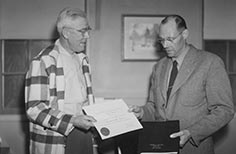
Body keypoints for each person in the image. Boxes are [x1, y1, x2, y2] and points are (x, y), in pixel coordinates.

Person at [129, 15, 235, 154]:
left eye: (170, 39)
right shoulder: (159, 67)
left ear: (185, 34)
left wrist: (191, 132)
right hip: (161, 148)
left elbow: (224, 110)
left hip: (194, 149)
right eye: (162, 40)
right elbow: (154, 106)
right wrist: (142, 112)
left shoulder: (210, 63)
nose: (165, 45)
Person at [25, 7, 97, 154]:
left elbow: (84, 101)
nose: (87, 36)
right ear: (66, 33)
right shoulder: (43, 61)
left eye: (87, 30)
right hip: (55, 140)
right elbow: (34, 109)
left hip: (84, 135)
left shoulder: (82, 60)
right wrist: (72, 121)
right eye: (82, 31)